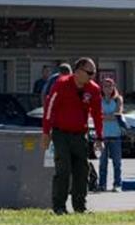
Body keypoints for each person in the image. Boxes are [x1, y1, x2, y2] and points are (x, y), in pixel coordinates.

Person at [42, 58, 103, 215]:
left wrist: (99, 137)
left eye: (94, 73)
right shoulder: (61, 84)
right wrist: (46, 132)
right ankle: (59, 207)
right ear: (77, 72)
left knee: (82, 170)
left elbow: (97, 114)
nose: (92, 76)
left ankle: (80, 206)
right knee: (63, 169)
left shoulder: (94, 89)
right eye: (89, 72)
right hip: (61, 133)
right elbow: (50, 107)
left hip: (80, 134)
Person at [98, 78, 125, 193]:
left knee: (117, 163)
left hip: (115, 135)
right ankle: (102, 185)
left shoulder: (118, 99)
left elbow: (117, 115)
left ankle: (117, 184)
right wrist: (108, 116)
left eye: (110, 86)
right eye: (105, 86)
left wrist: (104, 116)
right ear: (102, 88)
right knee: (102, 163)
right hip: (102, 136)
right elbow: (97, 115)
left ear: (114, 87)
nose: (108, 88)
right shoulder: (99, 100)